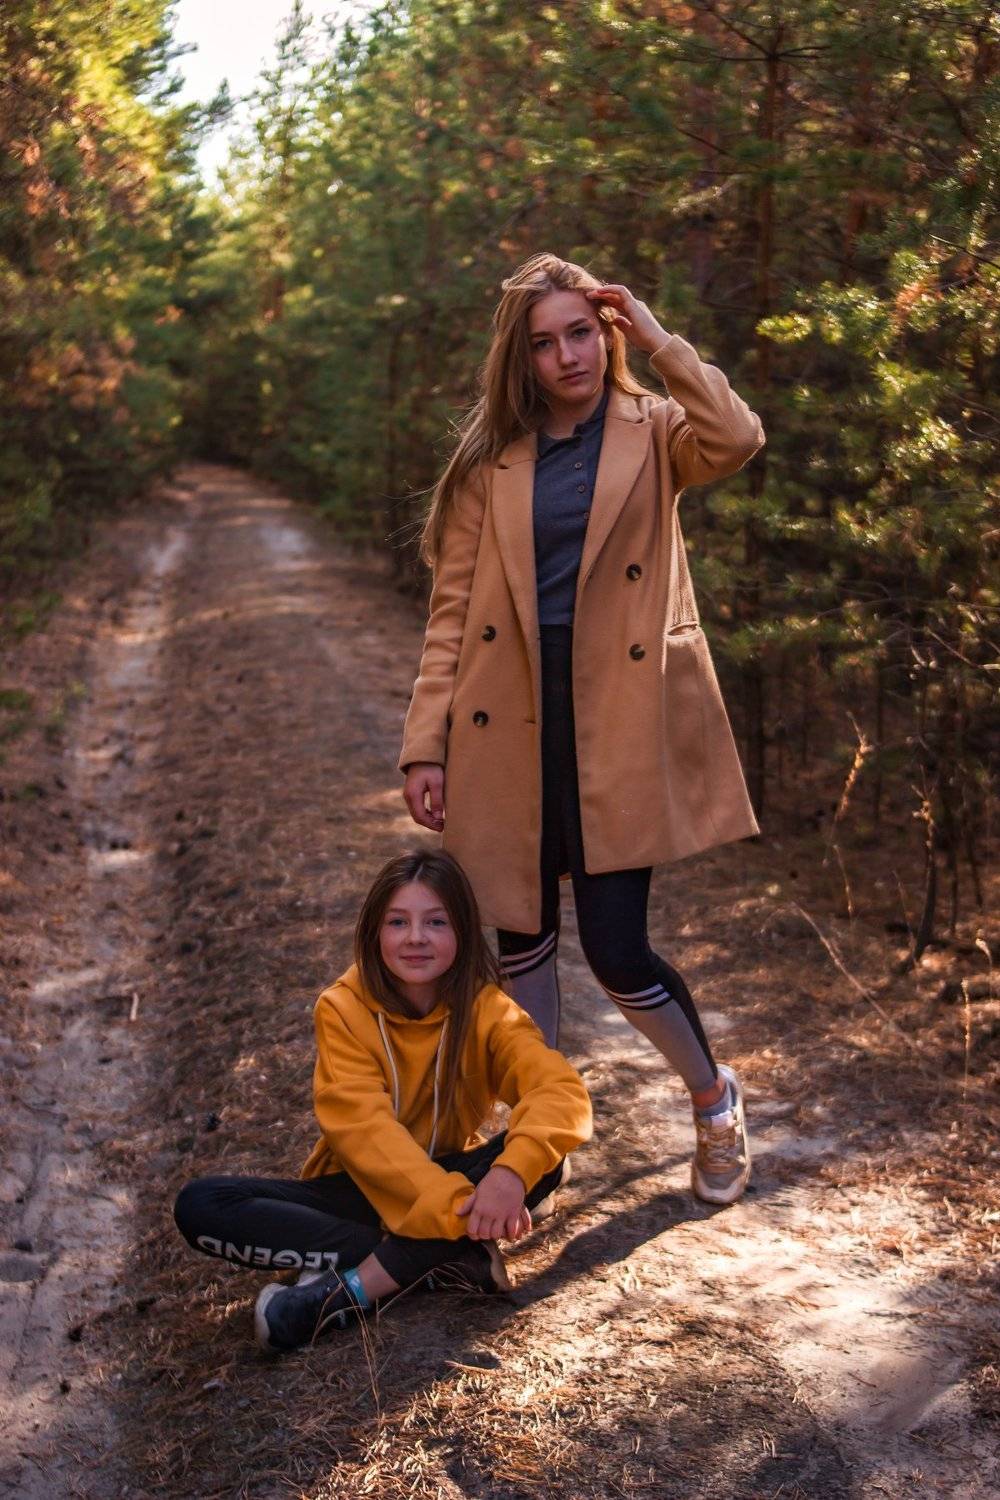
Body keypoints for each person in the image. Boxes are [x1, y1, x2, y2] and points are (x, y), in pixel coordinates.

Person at [400, 253, 765, 1206]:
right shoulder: (492, 462)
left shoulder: (658, 430)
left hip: (617, 724)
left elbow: (737, 436)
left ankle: (714, 1098)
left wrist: (656, 335)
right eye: (545, 342)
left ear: (607, 336)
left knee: (617, 953)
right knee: (520, 947)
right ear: (520, 358)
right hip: (506, 728)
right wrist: (426, 744)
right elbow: (451, 616)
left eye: (582, 333)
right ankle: (540, 1141)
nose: (569, 356)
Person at [173, 849, 592, 1353]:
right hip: (358, 1187)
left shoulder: (487, 1010)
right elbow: (366, 1133)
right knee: (202, 1204)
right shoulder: (342, 1009)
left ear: (462, 931)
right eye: (398, 922)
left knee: (542, 1160)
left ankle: (350, 1290)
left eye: (435, 921)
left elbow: (560, 1090)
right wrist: (459, 1213)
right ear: (375, 932)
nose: (415, 937)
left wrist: (508, 1176)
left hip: (446, 1173)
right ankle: (448, 1257)